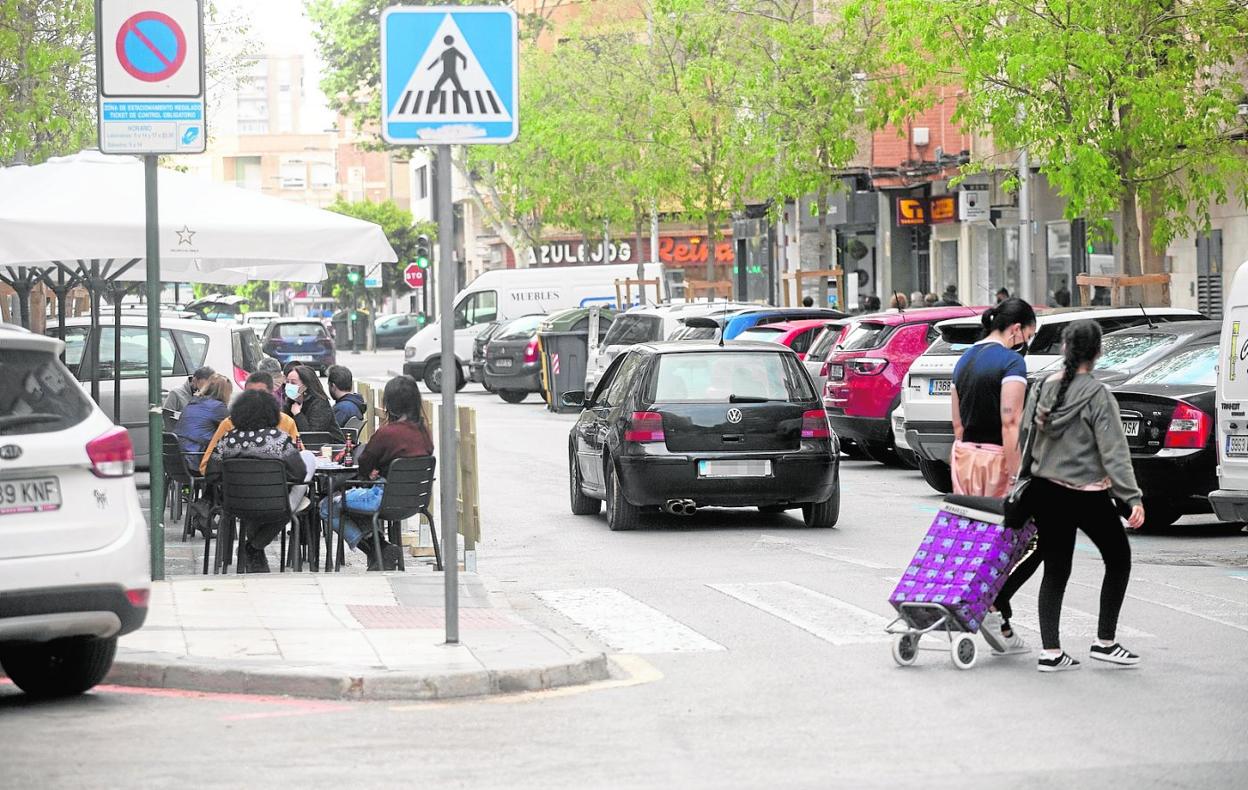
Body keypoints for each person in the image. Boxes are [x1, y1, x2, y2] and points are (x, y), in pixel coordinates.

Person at [1022, 320, 1144, 671]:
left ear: (1064, 348)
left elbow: (1026, 438)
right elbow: (1114, 451)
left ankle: (1050, 652)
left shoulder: (1043, 387)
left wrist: (1026, 475)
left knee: (1056, 569)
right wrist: (1131, 498)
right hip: (1087, 495)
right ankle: (1105, 641)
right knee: (1118, 559)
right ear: (1098, 351)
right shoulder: (1097, 394)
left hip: (1046, 491)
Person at [949, 298, 1039, 655]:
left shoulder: (964, 359)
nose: (1025, 342)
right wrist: (1017, 474)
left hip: (964, 458)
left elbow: (956, 424)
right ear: (1016, 329)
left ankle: (988, 608)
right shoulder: (1011, 362)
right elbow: (1010, 421)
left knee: (973, 539)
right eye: (1027, 335)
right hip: (997, 460)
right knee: (1017, 541)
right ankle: (993, 608)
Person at [320, 376, 434, 571]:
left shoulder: (387, 433)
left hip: (382, 497)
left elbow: (364, 464)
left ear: (389, 402)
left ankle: (377, 548)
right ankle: (381, 549)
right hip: (417, 500)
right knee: (353, 501)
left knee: (327, 505)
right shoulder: (424, 431)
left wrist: (371, 474)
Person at [206, 389, 313, 573]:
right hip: (276, 504)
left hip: (235, 504)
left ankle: (254, 553)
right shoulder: (279, 440)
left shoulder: (226, 441)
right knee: (288, 506)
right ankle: (253, 548)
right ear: (272, 412)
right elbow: (299, 473)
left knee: (254, 510)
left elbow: (211, 474)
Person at [199, 371, 300, 474]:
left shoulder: (287, 423)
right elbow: (298, 467)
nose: (254, 399)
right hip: (273, 487)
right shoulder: (228, 424)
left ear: (271, 395)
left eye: (261, 394)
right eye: (250, 395)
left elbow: (208, 469)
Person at [174, 373, 231, 458]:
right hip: (197, 457)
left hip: (179, 456)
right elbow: (232, 429)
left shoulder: (192, 403)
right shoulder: (218, 407)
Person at [284, 365, 342, 441]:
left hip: (330, 448)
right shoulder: (291, 402)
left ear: (305, 386)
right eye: (287, 382)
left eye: (293, 383)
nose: (289, 386)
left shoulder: (320, 404)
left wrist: (298, 415)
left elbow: (312, 436)